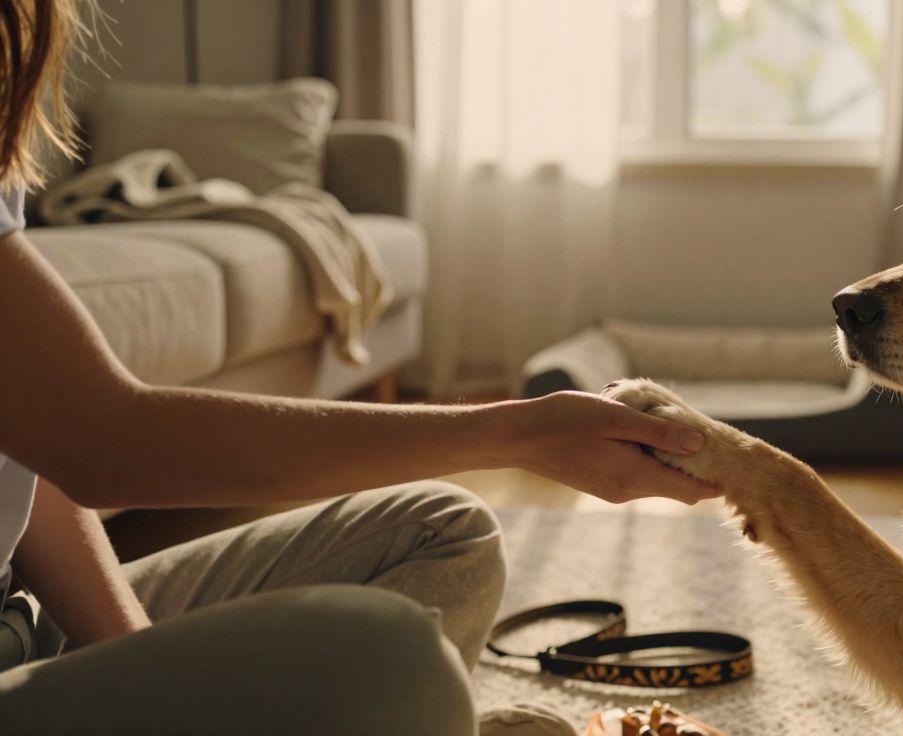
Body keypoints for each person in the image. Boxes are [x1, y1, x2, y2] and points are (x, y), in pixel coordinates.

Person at [0, 2, 717, 733]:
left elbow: (41, 445)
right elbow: (106, 442)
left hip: (25, 622)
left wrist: (139, 660)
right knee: (396, 656)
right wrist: (518, 434)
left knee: (444, 533)